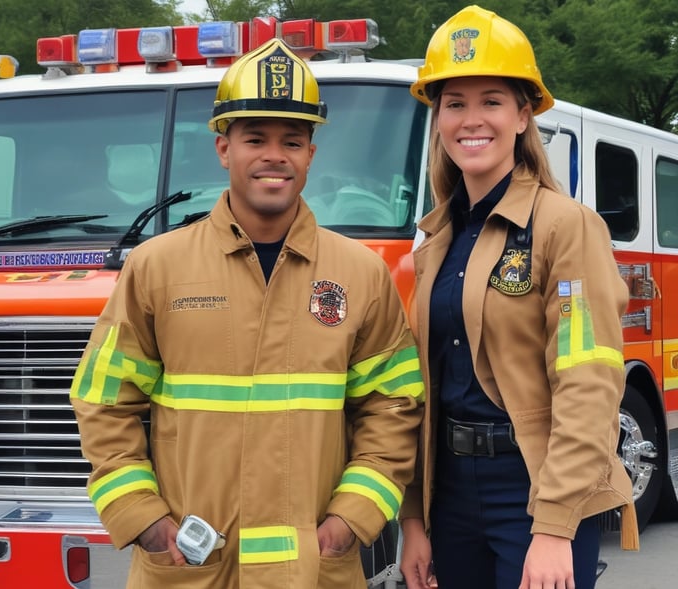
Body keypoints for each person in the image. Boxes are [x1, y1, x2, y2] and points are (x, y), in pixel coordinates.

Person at [69, 37, 424, 589]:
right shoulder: (155, 267)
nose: (274, 155)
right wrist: (146, 522)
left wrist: (349, 521)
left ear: (311, 153)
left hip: (313, 571)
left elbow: (393, 408)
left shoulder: (361, 274)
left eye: (293, 140)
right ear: (222, 148)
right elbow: (102, 402)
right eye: (254, 137)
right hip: (189, 570)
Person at [398, 6, 639, 589]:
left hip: (533, 489)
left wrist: (554, 527)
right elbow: (418, 387)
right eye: (454, 103)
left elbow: (588, 382)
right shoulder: (436, 240)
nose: (470, 120)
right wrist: (413, 520)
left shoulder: (567, 227)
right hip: (449, 494)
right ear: (437, 118)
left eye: (491, 101)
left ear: (523, 113)